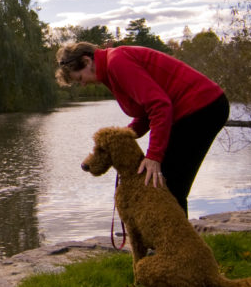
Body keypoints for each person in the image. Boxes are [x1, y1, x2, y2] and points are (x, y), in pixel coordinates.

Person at [55, 41, 230, 215]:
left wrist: (154, 155)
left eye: (80, 78)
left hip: (202, 108)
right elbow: (147, 112)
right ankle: (170, 239)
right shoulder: (111, 66)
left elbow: (159, 105)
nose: (83, 84)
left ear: (87, 61)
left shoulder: (117, 62)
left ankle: (176, 241)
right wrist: (124, 136)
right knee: (165, 185)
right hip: (199, 110)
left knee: (167, 186)